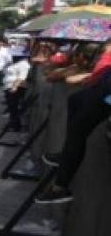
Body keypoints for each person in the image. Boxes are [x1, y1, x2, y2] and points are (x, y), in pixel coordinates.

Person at [37, 41, 111, 204]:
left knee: (78, 130)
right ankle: (67, 154)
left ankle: (60, 188)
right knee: (75, 100)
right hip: (104, 85)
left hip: (107, 94)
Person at [3, 50, 30, 132]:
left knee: (14, 107)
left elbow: (22, 77)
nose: (14, 57)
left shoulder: (24, 64)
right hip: (8, 87)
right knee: (11, 108)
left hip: (16, 88)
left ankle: (15, 126)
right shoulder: (12, 63)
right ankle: (12, 123)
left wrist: (14, 87)